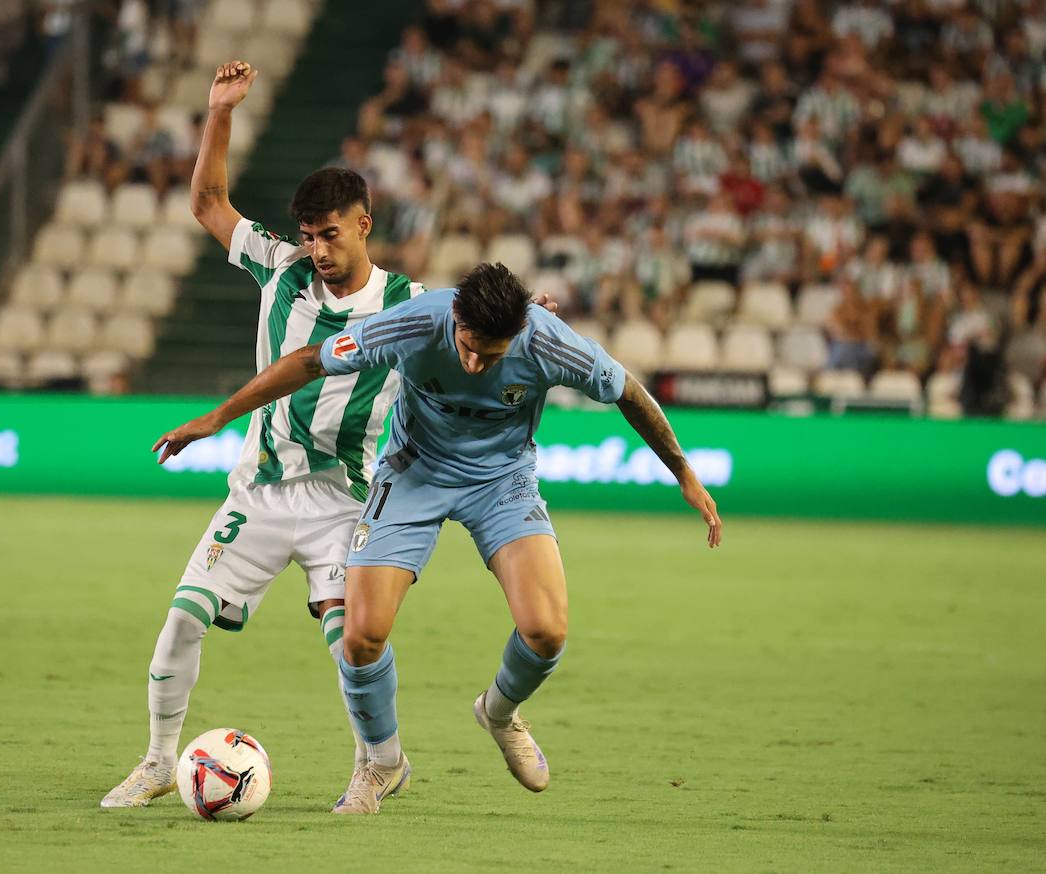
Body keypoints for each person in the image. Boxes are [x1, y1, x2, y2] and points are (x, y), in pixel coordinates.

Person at [152, 262, 723, 814]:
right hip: (410, 474)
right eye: (467, 345)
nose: (474, 364)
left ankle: (498, 713)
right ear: (455, 316)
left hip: (503, 483)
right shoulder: (416, 320)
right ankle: (380, 763)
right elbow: (308, 361)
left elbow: (627, 391)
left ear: (519, 331)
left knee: (547, 631)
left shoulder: (549, 342)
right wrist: (217, 418)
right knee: (360, 636)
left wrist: (686, 474)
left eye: (489, 354)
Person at [97, 59, 430, 811]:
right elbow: (208, 201)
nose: (317, 250)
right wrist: (220, 112)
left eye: (331, 235)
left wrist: (524, 314)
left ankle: (380, 762)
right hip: (259, 490)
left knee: (352, 642)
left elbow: (476, 325)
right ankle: (155, 762)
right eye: (310, 236)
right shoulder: (279, 270)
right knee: (182, 618)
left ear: (365, 225)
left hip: (343, 501)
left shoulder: (408, 304)